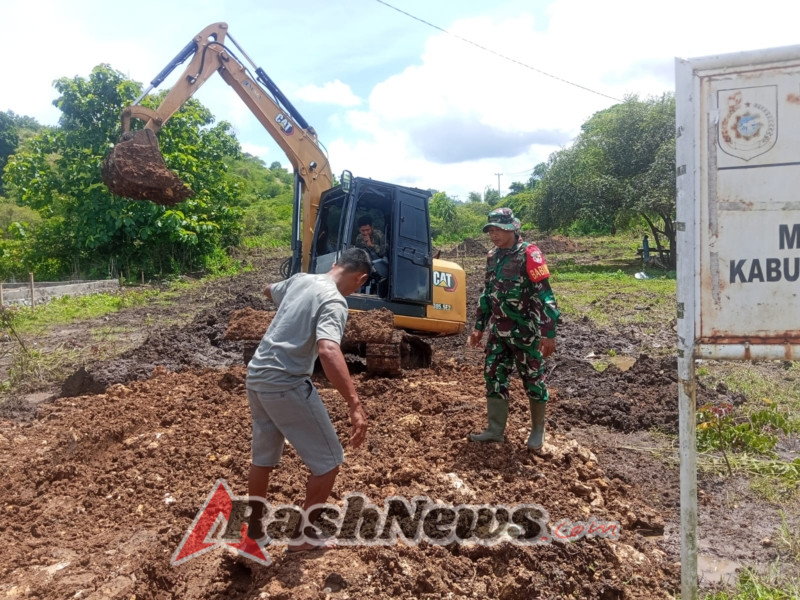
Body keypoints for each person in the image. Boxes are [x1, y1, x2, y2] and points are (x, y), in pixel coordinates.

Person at [245, 248, 371, 551]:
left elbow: (268, 290)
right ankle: (303, 536)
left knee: (263, 458)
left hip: (257, 376)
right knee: (329, 462)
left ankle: (254, 528)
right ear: (360, 278)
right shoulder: (334, 301)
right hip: (286, 383)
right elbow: (328, 350)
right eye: (359, 286)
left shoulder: (300, 279)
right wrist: (354, 403)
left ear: (335, 264)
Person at [468, 208, 560, 453]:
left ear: (512, 229)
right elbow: (488, 293)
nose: (494, 235)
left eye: (499, 229)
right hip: (498, 332)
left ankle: (538, 430)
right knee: (494, 376)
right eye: (491, 230)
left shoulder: (530, 253)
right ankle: (495, 430)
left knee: (532, 378)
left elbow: (545, 295)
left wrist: (548, 332)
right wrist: (479, 327)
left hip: (526, 332)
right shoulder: (492, 256)